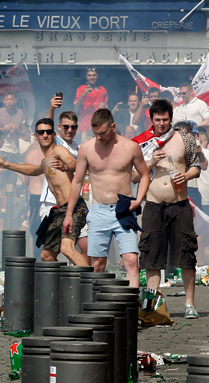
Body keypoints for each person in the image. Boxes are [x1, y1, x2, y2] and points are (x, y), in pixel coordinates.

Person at [64, 109, 150, 287]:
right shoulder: (87, 148)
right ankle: (97, 306)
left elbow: (144, 175)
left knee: (132, 261)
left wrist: (139, 199)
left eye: (102, 133)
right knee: (97, 265)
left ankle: (132, 308)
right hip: (99, 210)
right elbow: (77, 182)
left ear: (113, 127)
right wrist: (69, 214)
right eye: (96, 134)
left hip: (124, 210)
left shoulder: (130, 147)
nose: (99, 137)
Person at [133, 99, 201, 318]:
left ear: (171, 119)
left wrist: (186, 174)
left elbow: (197, 166)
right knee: (152, 256)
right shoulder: (143, 143)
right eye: (157, 119)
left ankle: (189, 304)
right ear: (151, 119)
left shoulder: (184, 138)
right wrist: (151, 162)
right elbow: (134, 176)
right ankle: (153, 305)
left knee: (186, 254)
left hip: (179, 203)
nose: (161, 123)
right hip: (153, 204)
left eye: (165, 119)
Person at [0, 118, 88, 266]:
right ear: (35, 136)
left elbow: (73, 163)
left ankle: (92, 284)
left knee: (67, 249)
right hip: (59, 211)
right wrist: (6, 164)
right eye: (41, 132)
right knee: (47, 256)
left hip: (74, 207)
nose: (45, 135)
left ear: (54, 134)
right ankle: (64, 286)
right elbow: (33, 170)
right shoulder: (46, 161)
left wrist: (66, 167)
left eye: (48, 132)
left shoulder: (58, 150)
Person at [44, 95, 89, 258]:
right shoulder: (54, 142)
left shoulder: (78, 148)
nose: (69, 130)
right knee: (51, 253)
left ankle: (81, 280)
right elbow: (46, 127)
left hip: (74, 204)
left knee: (85, 247)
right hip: (52, 203)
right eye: (66, 127)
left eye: (73, 127)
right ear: (59, 127)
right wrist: (52, 109)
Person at [0, 92, 28, 163]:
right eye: (7, 99)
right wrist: (3, 130)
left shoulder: (20, 113)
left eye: (11, 99)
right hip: (1, 149)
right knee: (1, 172)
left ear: (15, 100)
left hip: (15, 150)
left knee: (16, 173)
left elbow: (24, 133)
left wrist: (17, 129)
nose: (9, 102)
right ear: (4, 101)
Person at [74, 67, 108, 133]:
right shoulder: (81, 89)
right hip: (85, 128)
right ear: (86, 77)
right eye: (89, 75)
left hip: (99, 127)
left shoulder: (102, 89)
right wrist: (83, 94)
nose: (92, 77)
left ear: (97, 76)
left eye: (94, 75)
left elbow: (106, 112)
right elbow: (76, 109)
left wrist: (104, 107)